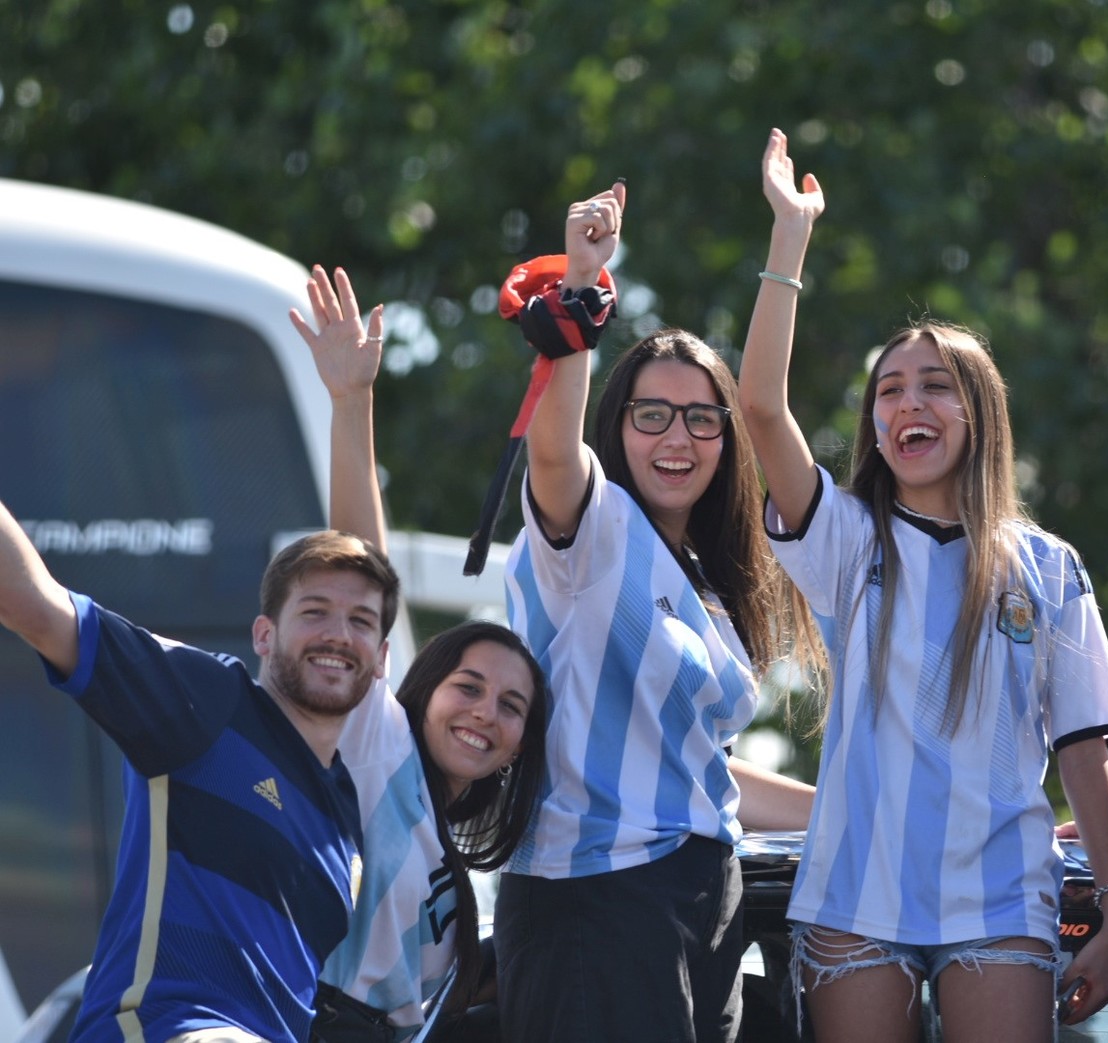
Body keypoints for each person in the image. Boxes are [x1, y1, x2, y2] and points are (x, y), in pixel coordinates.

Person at [738, 128, 1108, 1042]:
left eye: (934, 386)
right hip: (853, 894)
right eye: (888, 391)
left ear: (980, 411)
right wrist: (789, 238)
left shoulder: (1049, 565)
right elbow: (761, 405)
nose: (907, 404)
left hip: (1000, 899)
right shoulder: (840, 534)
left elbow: (1083, 754)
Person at [490, 180, 823, 1042]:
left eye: (700, 420)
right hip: (591, 902)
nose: (676, 439)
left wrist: (862, 807)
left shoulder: (709, 583)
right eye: (651, 416)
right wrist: (581, 297)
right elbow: (555, 455)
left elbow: (693, 772)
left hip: (704, 894)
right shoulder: (594, 529)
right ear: (620, 425)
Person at [0, 503, 398, 1041]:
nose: (338, 635)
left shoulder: (345, 814)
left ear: (380, 659)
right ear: (263, 635)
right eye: (314, 612)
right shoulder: (209, 702)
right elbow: (35, 606)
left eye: (361, 622)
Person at [289, 266, 549, 1042]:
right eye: (468, 686)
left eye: (510, 706)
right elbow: (361, 561)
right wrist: (351, 400)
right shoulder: (380, 744)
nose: (484, 712)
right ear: (422, 689)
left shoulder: (477, 878)